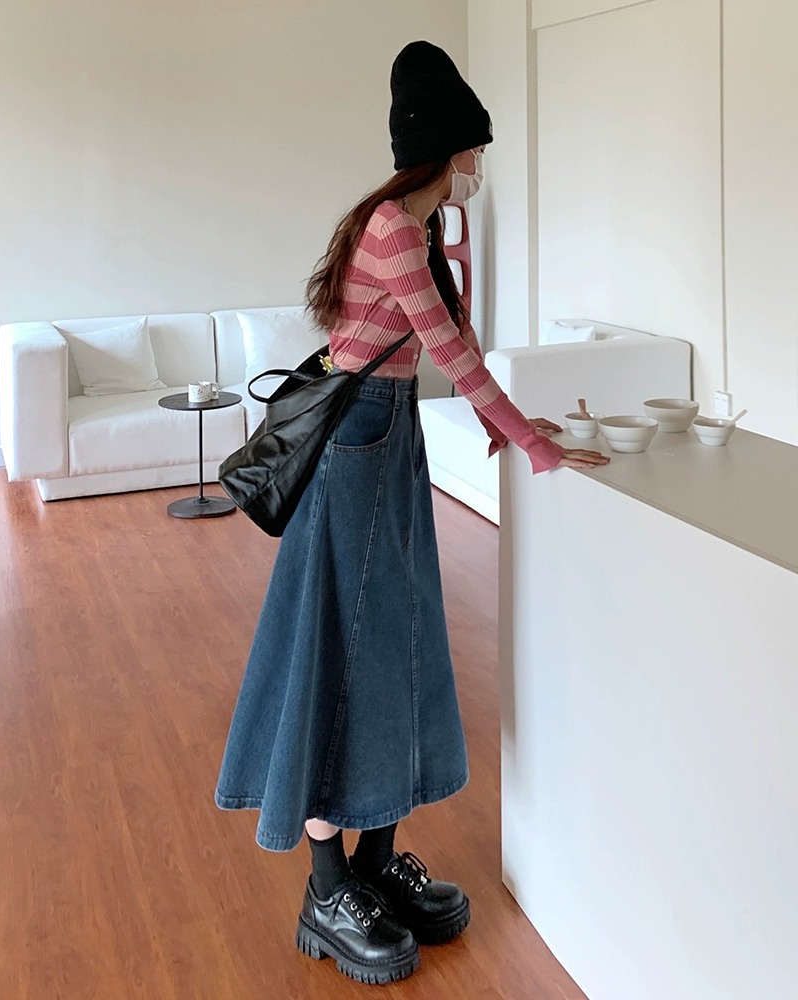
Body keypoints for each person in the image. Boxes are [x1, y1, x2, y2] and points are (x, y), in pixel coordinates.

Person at [214, 40, 609, 986]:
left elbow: (453, 343)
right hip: (355, 452)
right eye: (477, 148)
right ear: (452, 148)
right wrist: (527, 440)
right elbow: (455, 358)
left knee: (400, 646)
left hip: (388, 447)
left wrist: (516, 425)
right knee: (344, 655)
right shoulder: (394, 228)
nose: (481, 164)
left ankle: (374, 862)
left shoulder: (417, 231)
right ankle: (326, 892)